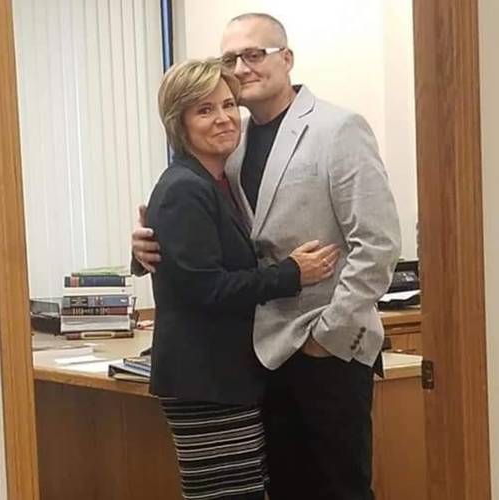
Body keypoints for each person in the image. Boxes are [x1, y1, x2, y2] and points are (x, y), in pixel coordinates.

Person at [133, 13, 401, 500]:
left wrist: (329, 335)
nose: (242, 67)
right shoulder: (231, 142)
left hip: (326, 348)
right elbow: (209, 235)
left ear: (287, 58)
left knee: (339, 488)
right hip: (260, 355)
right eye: (231, 58)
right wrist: (147, 246)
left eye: (254, 54)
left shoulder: (338, 129)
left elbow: (378, 244)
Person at [147, 58, 339, 500]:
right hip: (204, 380)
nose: (224, 118)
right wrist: (291, 273)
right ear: (179, 122)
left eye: (229, 105)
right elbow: (207, 288)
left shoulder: (218, 182)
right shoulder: (184, 188)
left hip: (226, 377)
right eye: (205, 110)